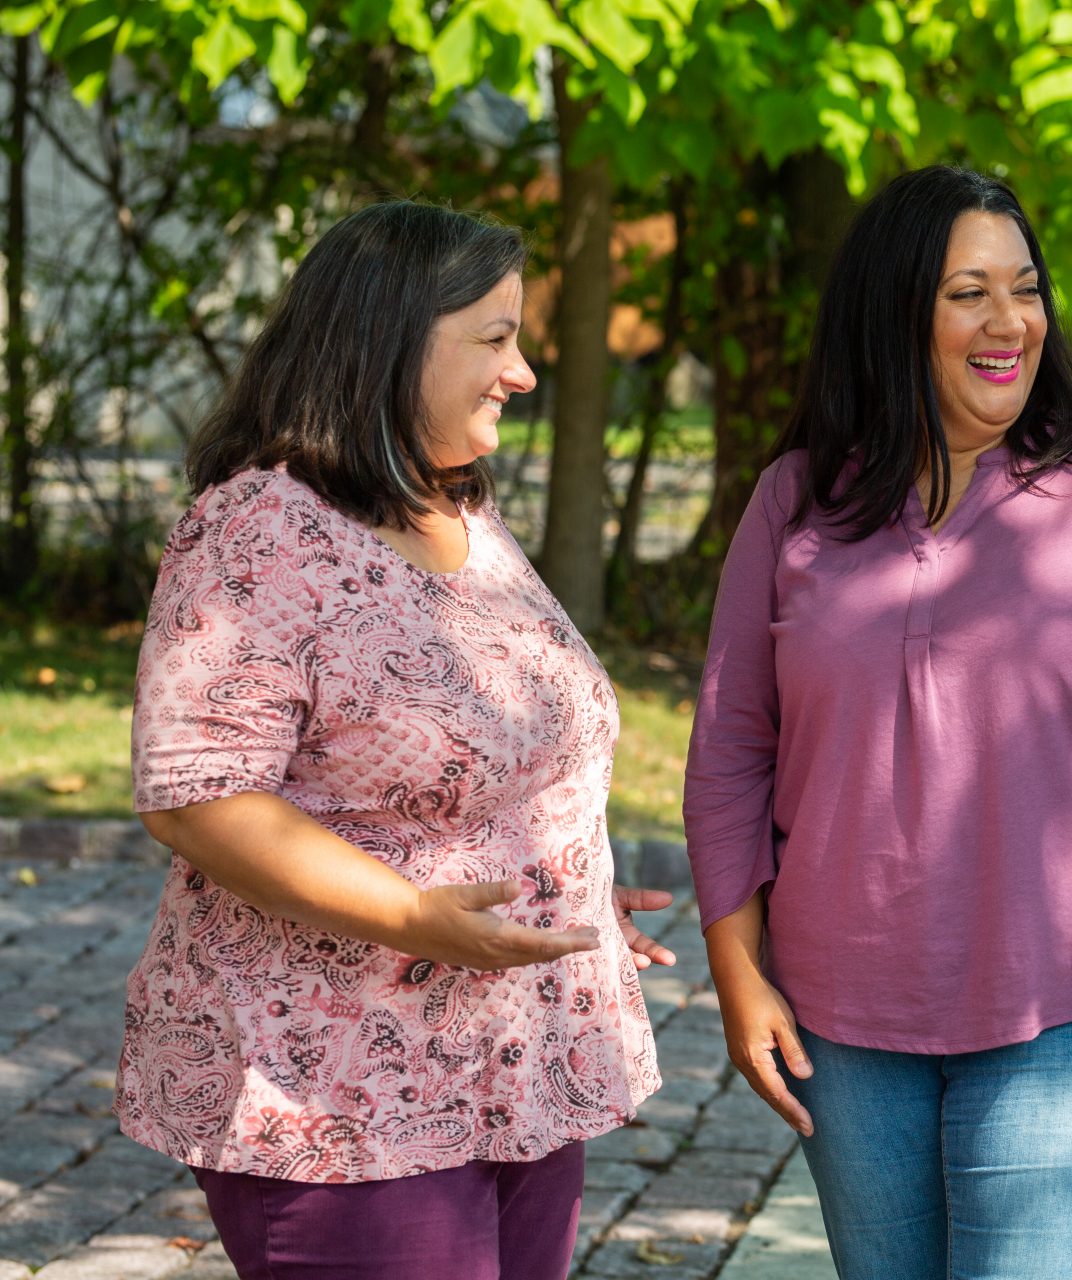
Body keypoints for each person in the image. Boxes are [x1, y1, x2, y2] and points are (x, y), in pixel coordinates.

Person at [683, 165, 1072, 1279]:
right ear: (897, 313)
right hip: (840, 1021)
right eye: (968, 294)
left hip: (1062, 1013)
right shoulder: (795, 502)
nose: (1010, 323)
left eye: (1025, 288)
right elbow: (729, 755)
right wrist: (739, 973)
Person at [120, 200, 673, 1280]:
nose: (521, 372)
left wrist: (569, 884)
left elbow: (490, 748)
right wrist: (418, 914)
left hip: (511, 1058)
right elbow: (196, 796)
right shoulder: (258, 530)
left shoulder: (459, 510)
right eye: (496, 337)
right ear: (390, 340)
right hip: (336, 1088)